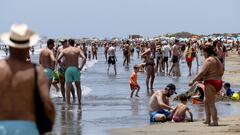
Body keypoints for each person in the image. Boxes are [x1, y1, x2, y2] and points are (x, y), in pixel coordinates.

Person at [0, 24, 55, 134]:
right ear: (28, 47)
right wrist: (47, 126)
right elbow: (48, 106)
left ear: (9, 45)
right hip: (28, 127)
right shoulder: (36, 71)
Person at [189, 45, 224, 126]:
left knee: (211, 103)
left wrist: (193, 81)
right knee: (206, 101)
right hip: (218, 82)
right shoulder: (217, 59)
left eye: (203, 52)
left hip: (210, 82)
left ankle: (215, 122)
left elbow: (202, 73)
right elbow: (222, 71)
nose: (202, 53)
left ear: (207, 52)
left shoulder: (208, 60)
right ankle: (207, 120)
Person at [57, 39, 86, 105]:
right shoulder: (78, 50)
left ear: (68, 43)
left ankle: (68, 103)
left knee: (68, 87)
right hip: (76, 69)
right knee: (78, 86)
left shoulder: (64, 50)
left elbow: (58, 59)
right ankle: (79, 102)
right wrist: (81, 67)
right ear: (74, 43)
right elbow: (84, 58)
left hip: (68, 69)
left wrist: (62, 65)